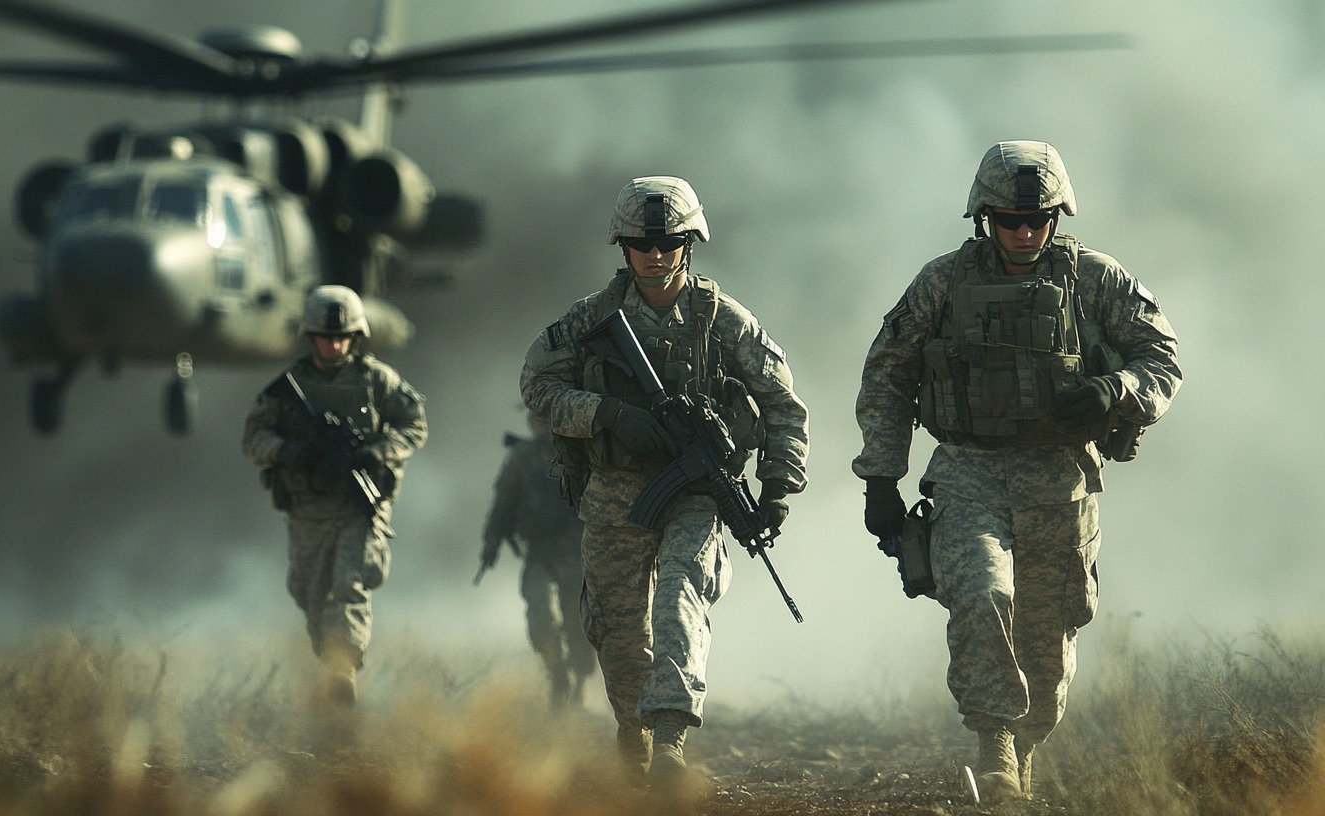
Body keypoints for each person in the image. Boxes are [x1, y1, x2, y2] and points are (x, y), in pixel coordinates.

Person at [853, 141, 1181, 802]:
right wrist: (881, 478)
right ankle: (994, 745)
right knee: (980, 593)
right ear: (983, 217)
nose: (1025, 232)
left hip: (1061, 482)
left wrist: (1115, 389)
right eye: (1010, 220)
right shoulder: (941, 284)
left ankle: (1023, 745)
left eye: (1038, 220)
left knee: (1049, 642)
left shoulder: (1094, 279)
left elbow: (1162, 358)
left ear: (1057, 217)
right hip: (969, 471)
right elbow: (889, 376)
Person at [521, 176, 809, 786]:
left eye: (669, 242)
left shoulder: (720, 319)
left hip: (698, 493)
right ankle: (637, 734)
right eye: (641, 243)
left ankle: (673, 735)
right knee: (618, 632)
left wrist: (778, 485)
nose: (655, 255)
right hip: (616, 491)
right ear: (623, 247)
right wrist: (607, 414)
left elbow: (782, 403)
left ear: (690, 244)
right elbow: (537, 386)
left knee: (681, 597)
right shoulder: (591, 319)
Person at [243, 284, 428, 705]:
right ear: (311, 337)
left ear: (356, 336)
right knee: (310, 594)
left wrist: (377, 451)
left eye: (342, 336)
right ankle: (331, 660)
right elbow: (253, 437)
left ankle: (342, 669)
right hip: (308, 511)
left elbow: (414, 425)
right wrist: (291, 452)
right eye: (325, 337)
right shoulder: (285, 388)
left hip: (357, 510)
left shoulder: (378, 380)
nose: (334, 344)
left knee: (349, 585)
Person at [478, 410, 597, 708]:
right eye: (536, 419)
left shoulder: (581, 454)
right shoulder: (522, 457)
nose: (540, 425)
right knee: (538, 614)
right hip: (539, 551)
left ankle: (580, 681)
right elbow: (503, 501)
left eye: (547, 419)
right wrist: (491, 542)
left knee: (578, 622)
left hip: (575, 552)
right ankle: (557, 675)